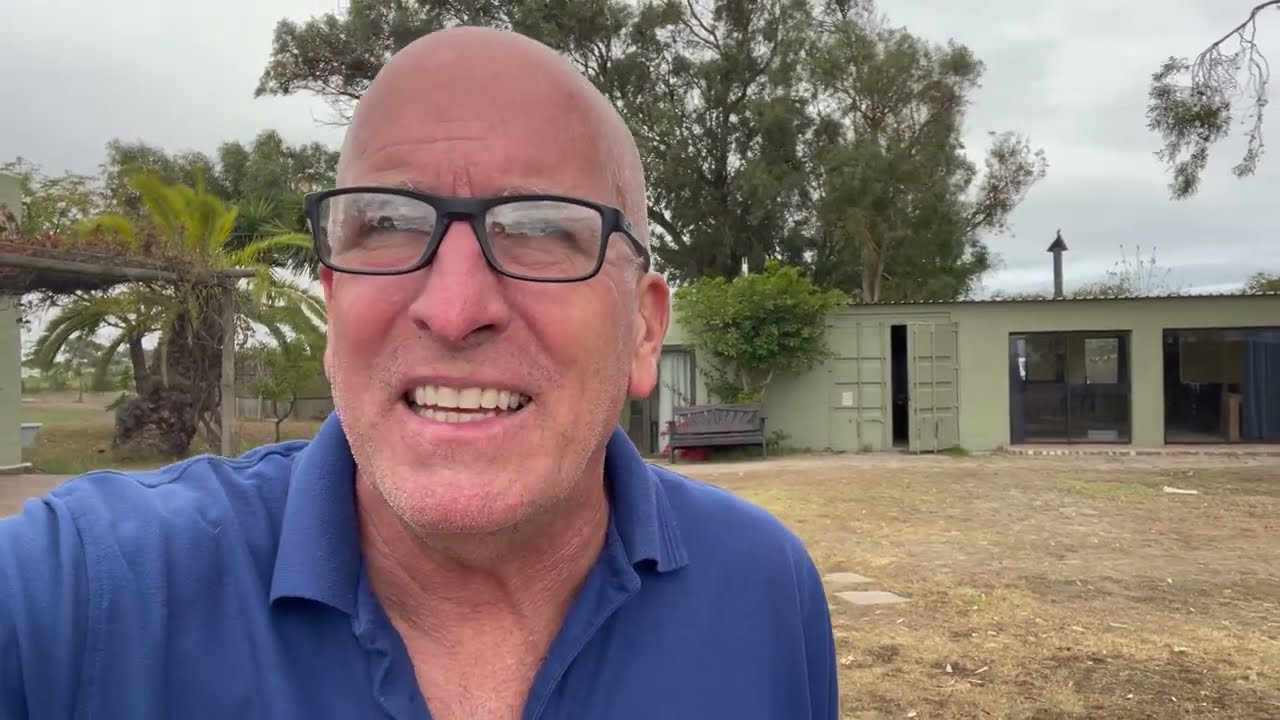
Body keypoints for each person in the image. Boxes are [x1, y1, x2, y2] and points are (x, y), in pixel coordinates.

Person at [0, 26, 838, 720]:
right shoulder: (85, 595)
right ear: (333, 305)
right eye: (390, 224)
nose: (454, 307)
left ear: (644, 330)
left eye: (541, 229)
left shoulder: (761, 591)